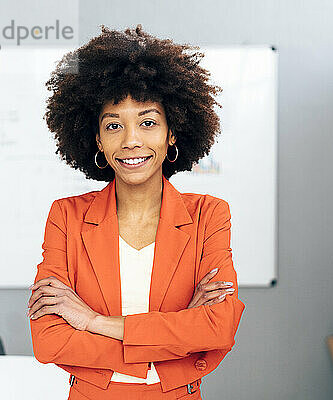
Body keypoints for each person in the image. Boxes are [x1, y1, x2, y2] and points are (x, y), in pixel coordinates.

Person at [26, 24, 245, 399]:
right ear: (97, 138)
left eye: (147, 122)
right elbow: (50, 340)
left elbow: (217, 329)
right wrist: (174, 336)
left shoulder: (209, 215)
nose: (131, 141)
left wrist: (92, 322)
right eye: (114, 125)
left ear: (171, 132)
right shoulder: (66, 217)